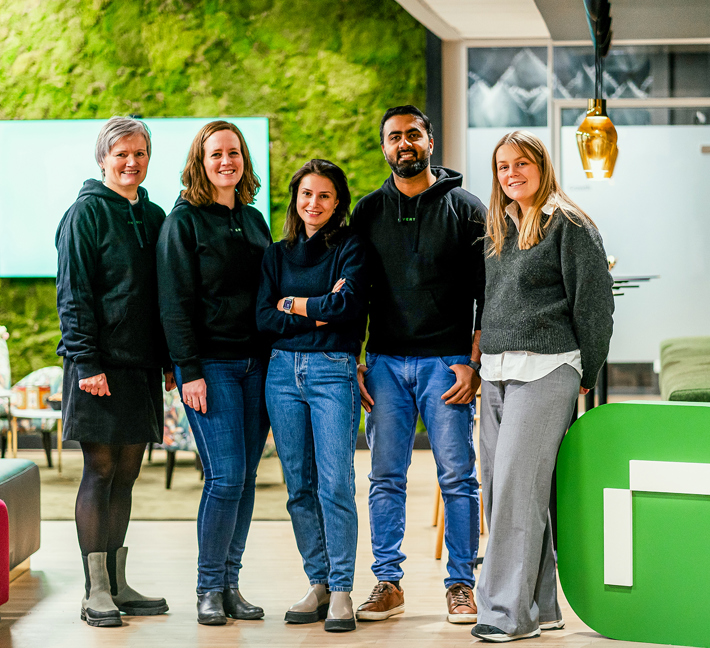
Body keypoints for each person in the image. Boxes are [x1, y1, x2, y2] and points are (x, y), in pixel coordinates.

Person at [471, 131, 614, 643]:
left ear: (542, 165)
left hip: (548, 369)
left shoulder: (570, 224)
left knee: (514, 490)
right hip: (496, 372)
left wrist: (586, 374)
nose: (511, 174)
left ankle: (504, 614)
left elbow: (595, 308)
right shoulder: (499, 229)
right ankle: (539, 605)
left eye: (521, 163)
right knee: (507, 491)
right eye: (503, 167)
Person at [351, 105, 486, 624]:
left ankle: (461, 584)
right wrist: (357, 361)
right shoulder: (366, 212)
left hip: (447, 365)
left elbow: (485, 294)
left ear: (429, 141)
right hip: (384, 364)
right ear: (383, 147)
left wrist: (473, 362)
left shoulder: (467, 208)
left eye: (413, 135)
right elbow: (356, 290)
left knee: (458, 477)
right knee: (385, 476)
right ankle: (388, 582)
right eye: (393, 138)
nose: (403, 144)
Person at [56, 116, 170, 627]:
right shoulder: (84, 214)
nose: (131, 163)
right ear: (103, 158)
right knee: (99, 472)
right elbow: (73, 294)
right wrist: (86, 362)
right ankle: (94, 590)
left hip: (140, 367)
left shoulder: (154, 214)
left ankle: (119, 585)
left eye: (140, 154)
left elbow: (164, 296)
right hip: (96, 369)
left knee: (127, 475)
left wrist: (168, 361)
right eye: (121, 153)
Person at [156, 120, 271, 625]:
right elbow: (173, 304)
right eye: (215, 154)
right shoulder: (184, 223)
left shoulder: (254, 220)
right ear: (200, 163)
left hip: (257, 366)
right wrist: (189, 371)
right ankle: (207, 588)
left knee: (244, 479)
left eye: (234, 153)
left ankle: (230, 585)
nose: (227, 161)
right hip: (211, 368)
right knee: (224, 477)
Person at [256, 159, 368, 633]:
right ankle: (318, 582)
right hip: (281, 373)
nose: (314, 204)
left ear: (338, 201)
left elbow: (349, 307)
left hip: (332, 372)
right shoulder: (276, 254)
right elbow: (264, 318)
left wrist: (296, 305)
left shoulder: (351, 246)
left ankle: (342, 589)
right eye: (306, 194)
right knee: (299, 485)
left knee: (335, 484)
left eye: (324, 195)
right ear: (295, 199)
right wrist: (320, 311)